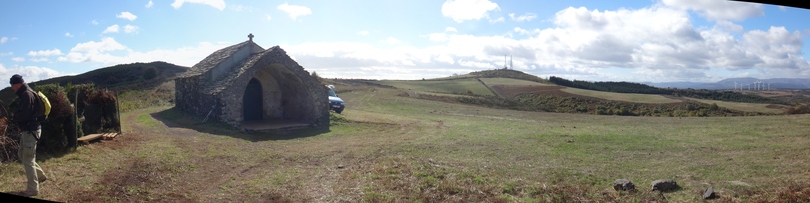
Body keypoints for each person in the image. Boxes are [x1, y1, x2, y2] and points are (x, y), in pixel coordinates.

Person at [9, 74, 47, 197]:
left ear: (18, 84)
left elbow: (24, 114)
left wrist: (14, 117)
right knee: (22, 154)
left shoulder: (26, 95)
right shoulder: (28, 93)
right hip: (29, 130)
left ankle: (33, 189)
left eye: (13, 85)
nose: (12, 88)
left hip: (31, 131)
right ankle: (40, 176)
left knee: (28, 159)